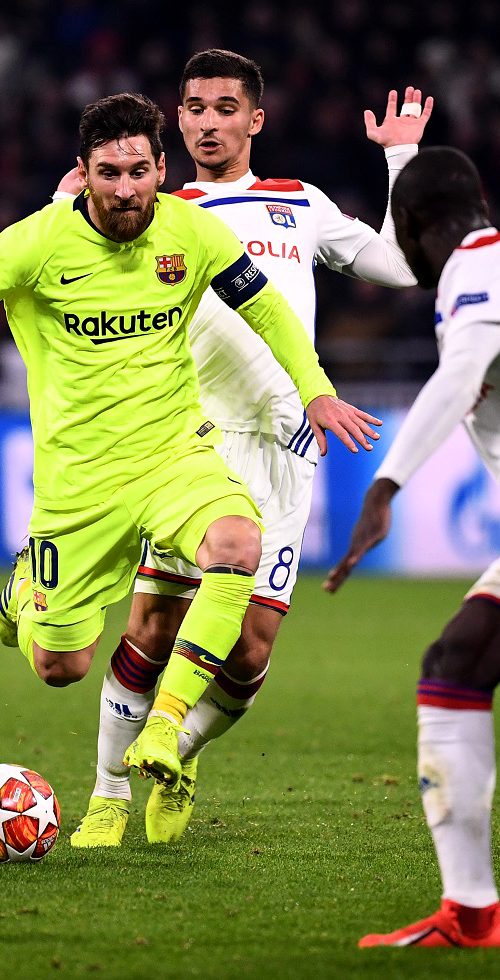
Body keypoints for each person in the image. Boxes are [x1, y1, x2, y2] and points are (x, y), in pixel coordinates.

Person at [58, 49, 433, 848]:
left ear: (255, 119)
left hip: (285, 450)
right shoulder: (151, 209)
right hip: (186, 443)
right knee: (152, 628)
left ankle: (178, 752)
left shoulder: (299, 203)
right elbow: (73, 271)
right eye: (195, 108)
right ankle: (107, 795)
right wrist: (67, 207)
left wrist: (401, 158)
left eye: (225, 109)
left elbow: (401, 265)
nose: (208, 123)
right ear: (178, 119)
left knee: (250, 650)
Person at [0, 90, 380, 794]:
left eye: (138, 172)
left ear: (160, 169)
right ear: (82, 173)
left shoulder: (192, 231)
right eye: (108, 174)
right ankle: (21, 596)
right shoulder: (33, 244)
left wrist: (315, 388)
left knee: (237, 544)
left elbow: (266, 308)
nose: (125, 189)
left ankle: (166, 729)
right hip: (79, 477)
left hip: (174, 457)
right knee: (61, 667)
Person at [325, 146, 500, 947]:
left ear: (417, 225)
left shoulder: (477, 267)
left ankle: (471, 913)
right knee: (458, 663)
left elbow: (461, 373)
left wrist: (385, 486)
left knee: (457, 664)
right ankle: (470, 914)